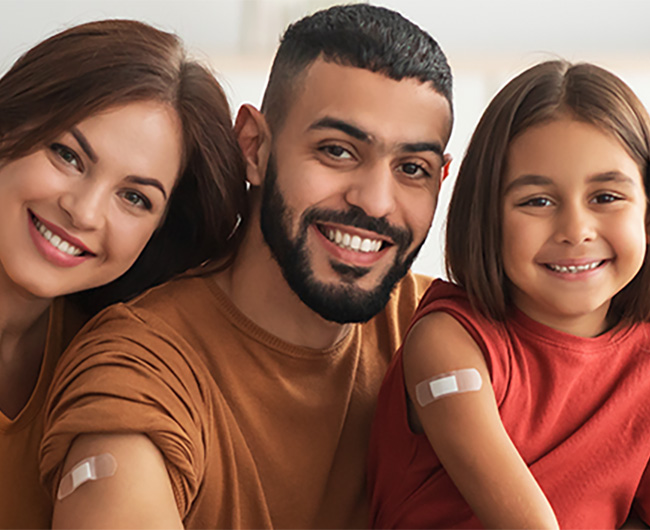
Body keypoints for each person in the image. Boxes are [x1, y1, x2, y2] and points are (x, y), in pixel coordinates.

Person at [38, 4, 454, 528]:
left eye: (411, 168)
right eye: (337, 150)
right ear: (254, 147)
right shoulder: (140, 368)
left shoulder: (437, 328)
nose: (375, 201)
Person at [368, 60, 650, 529]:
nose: (576, 231)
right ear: (486, 216)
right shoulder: (449, 344)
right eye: (537, 201)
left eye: (606, 197)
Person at [0, 19, 247, 529]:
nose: (84, 212)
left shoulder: (114, 371)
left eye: (135, 198)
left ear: (160, 231)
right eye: (67, 155)